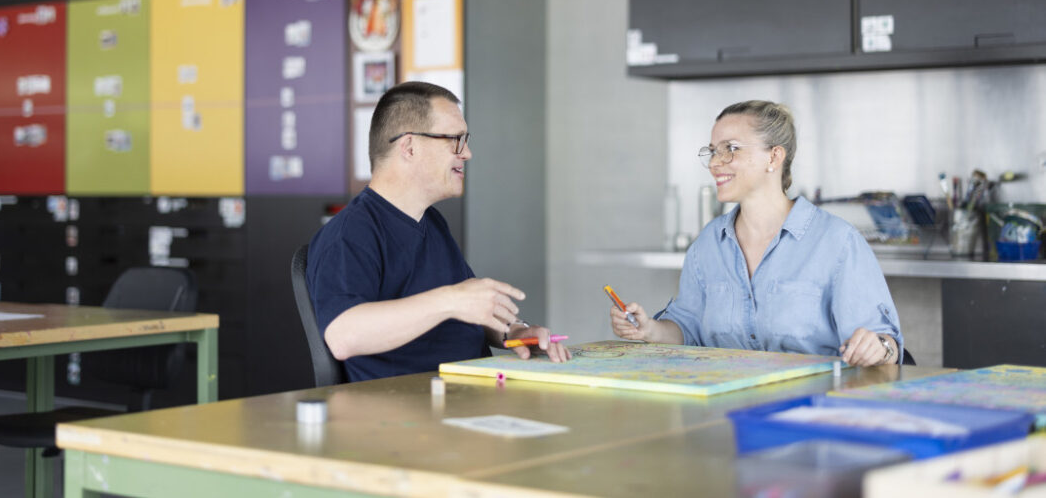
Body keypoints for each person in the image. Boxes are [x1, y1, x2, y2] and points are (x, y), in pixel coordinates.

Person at [307, 81, 570, 382]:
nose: (467, 153)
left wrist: (516, 331)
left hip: (470, 395)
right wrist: (450, 300)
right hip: (408, 412)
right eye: (455, 140)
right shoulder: (350, 233)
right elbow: (344, 336)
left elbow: (470, 308)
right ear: (409, 147)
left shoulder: (431, 223)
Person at [611, 100, 903, 367]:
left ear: (774, 157)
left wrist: (879, 347)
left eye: (731, 148)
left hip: (811, 409)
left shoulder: (838, 242)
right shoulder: (708, 244)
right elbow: (688, 328)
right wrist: (649, 329)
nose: (714, 162)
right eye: (713, 151)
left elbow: (884, 342)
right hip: (724, 408)